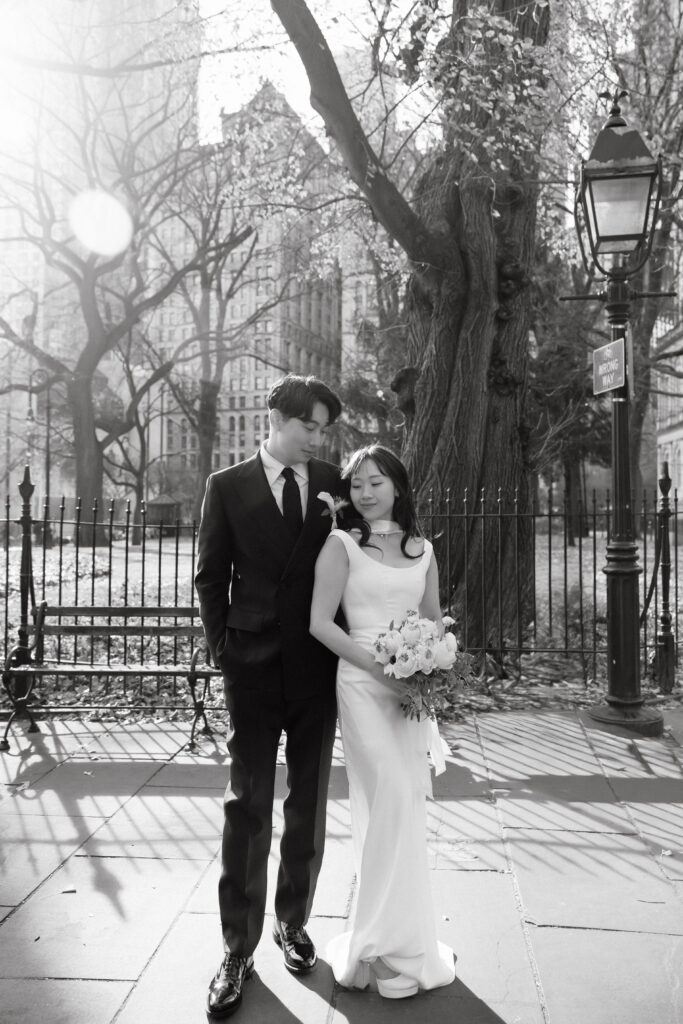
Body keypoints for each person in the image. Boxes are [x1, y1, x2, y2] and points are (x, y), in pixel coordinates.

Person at [196, 373, 343, 1019]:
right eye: (306, 425)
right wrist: (220, 647)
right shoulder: (225, 486)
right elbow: (208, 573)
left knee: (307, 803)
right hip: (250, 665)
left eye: (321, 429)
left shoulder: (335, 482)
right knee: (247, 806)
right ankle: (236, 948)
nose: (315, 438)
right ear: (275, 418)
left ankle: (292, 922)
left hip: (315, 666)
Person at [309, 443, 456, 999]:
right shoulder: (341, 544)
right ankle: (375, 942)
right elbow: (321, 623)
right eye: (357, 485)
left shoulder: (424, 549)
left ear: (397, 484)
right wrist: (382, 666)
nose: (365, 493)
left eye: (376, 481)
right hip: (363, 683)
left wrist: (432, 666)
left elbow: (436, 621)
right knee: (389, 793)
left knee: (402, 807)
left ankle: (404, 945)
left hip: (409, 691)